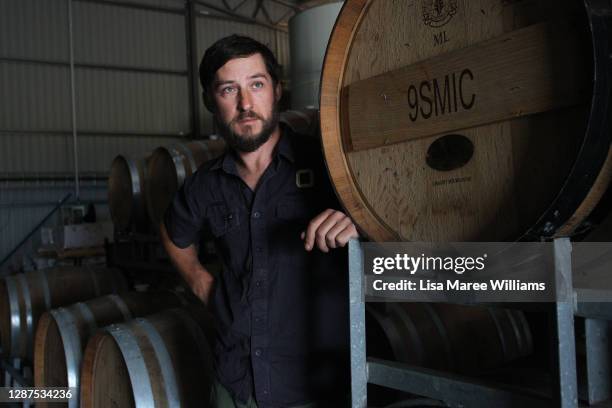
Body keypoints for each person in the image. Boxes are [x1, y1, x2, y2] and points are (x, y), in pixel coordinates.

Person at [160, 34, 359, 408]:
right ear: (210, 102)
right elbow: (173, 232)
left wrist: (355, 228)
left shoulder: (328, 165)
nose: (245, 104)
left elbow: (383, 223)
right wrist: (201, 283)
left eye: (256, 84)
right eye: (228, 90)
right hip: (237, 385)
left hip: (316, 387)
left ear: (277, 90)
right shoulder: (206, 184)